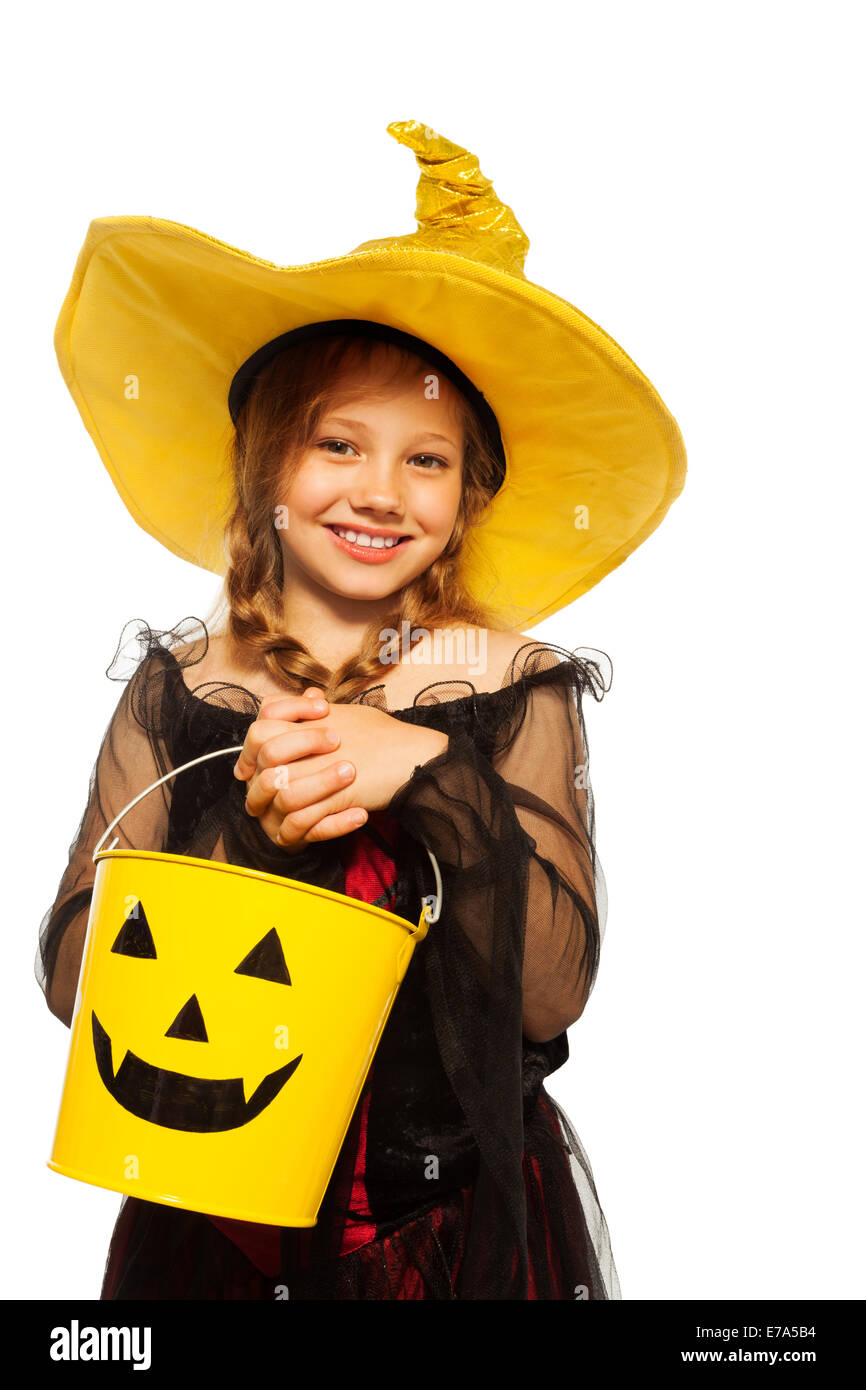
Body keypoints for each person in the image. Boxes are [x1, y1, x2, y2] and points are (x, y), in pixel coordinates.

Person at [36, 120, 686, 1300]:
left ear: (468, 493)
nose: (379, 492)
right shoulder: (186, 693)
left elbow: (544, 992)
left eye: (425, 460)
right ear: (265, 467)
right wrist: (238, 818)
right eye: (339, 444)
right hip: (216, 1224)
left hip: (446, 1233)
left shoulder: (500, 689)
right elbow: (81, 979)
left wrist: (432, 776)